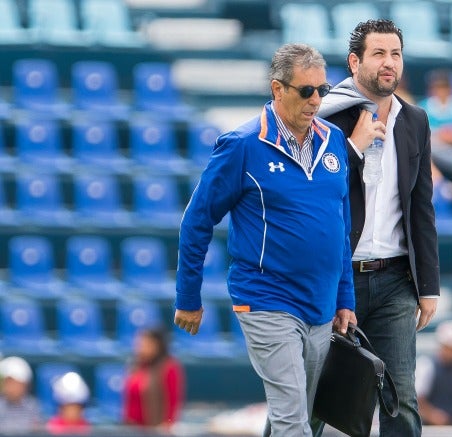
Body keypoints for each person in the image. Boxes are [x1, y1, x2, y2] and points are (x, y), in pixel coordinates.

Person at [174, 43, 356, 437]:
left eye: (322, 91)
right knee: (294, 421)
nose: (315, 100)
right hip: (266, 299)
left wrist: (345, 298)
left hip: (321, 304)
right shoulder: (242, 145)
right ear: (278, 89)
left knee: (298, 416)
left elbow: (339, 228)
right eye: (306, 91)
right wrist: (188, 297)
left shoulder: (334, 141)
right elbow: (196, 221)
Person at [317, 19, 440, 436]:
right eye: (379, 54)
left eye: (396, 54)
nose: (389, 63)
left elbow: (421, 207)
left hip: (395, 280)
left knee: (400, 398)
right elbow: (314, 192)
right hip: (335, 275)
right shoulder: (326, 116)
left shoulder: (415, 120)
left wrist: (429, 286)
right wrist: (353, 145)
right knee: (315, 396)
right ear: (355, 62)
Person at [123, 328, 185, 428]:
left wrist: (166, 426)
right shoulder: (136, 366)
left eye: (146, 344)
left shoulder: (169, 367)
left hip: (156, 429)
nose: (140, 347)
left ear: (157, 345)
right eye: (139, 344)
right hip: (133, 429)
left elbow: (173, 401)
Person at [0, 356, 42, 434]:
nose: (11, 387)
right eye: (8, 383)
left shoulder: (33, 406)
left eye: (15, 383)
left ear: (25, 384)